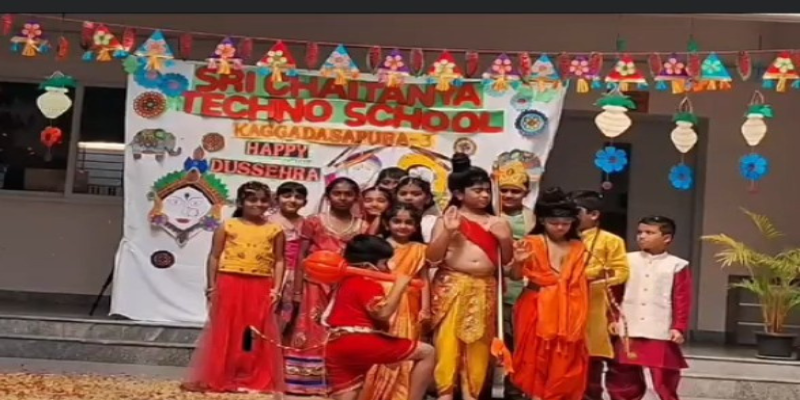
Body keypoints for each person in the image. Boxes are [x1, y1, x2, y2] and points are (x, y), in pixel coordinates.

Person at [183, 181, 285, 394]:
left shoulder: (275, 229)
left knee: (253, 332)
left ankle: (248, 376)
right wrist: (211, 286)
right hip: (229, 282)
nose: (258, 204)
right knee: (227, 329)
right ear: (241, 202)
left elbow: (279, 260)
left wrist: (277, 288)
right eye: (252, 200)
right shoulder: (228, 226)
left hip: (260, 284)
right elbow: (214, 256)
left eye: (263, 200)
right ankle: (223, 375)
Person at [426, 153, 513, 400]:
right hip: (452, 284)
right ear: (459, 194)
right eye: (477, 190)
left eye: (487, 190)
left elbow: (506, 261)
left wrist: (504, 238)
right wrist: (448, 232)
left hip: (485, 286)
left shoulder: (497, 222)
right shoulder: (447, 220)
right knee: (447, 344)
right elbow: (432, 258)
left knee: (479, 348)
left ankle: (471, 394)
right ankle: (445, 394)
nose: (484, 195)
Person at [324, 234, 435, 400]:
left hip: (335, 345)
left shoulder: (342, 281)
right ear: (367, 265)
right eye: (384, 263)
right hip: (359, 341)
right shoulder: (366, 282)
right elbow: (383, 313)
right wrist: (399, 286)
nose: (387, 269)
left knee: (349, 395)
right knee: (428, 352)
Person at [285, 177, 365, 396]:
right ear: (328, 196)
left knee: (337, 330)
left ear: (355, 197)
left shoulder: (362, 226)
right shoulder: (314, 222)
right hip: (314, 285)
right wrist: (297, 290)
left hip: (343, 286)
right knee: (310, 327)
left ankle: (334, 381)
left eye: (348, 194)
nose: (342, 198)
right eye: (337, 193)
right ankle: (303, 380)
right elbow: (301, 256)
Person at [508, 187, 589, 400]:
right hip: (535, 306)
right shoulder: (532, 242)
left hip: (569, 310)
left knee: (565, 359)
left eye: (565, 223)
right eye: (554, 223)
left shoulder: (578, 246)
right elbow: (515, 276)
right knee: (534, 357)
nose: (560, 227)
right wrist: (518, 261)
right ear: (543, 221)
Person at [606, 216, 692, 400]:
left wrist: (678, 327)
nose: (642, 236)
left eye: (649, 233)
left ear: (666, 238)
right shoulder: (626, 260)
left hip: (659, 327)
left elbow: (681, 299)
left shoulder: (677, 265)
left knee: (663, 377)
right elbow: (614, 293)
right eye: (640, 232)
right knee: (623, 376)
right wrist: (612, 319)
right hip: (628, 325)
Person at [361, 204, 431, 400]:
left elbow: (424, 280)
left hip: (409, 306)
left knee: (405, 348)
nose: (403, 226)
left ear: (416, 226)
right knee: (379, 347)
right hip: (382, 303)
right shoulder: (379, 247)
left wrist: (425, 308)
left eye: (409, 222)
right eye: (397, 221)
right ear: (386, 223)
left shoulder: (420, 249)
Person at [568, 190, 629, 400]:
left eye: (576, 211)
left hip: (594, 306)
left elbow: (621, 272)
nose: (570, 216)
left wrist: (587, 277)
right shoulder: (562, 237)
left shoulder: (611, 241)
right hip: (562, 304)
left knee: (591, 361)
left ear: (594, 215)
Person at [496, 162, 535, 400]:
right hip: (492, 284)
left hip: (523, 286)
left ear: (526, 193)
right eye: (504, 190)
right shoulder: (489, 215)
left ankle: (516, 387)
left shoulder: (533, 219)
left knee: (520, 341)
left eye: (515, 191)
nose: (509, 195)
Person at [268, 182, 308, 335]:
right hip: (271, 272)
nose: (292, 200)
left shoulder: (307, 223)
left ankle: (281, 347)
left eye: (298, 197)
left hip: (297, 275)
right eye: (286, 196)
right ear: (276, 198)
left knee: (290, 316)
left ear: (305, 202)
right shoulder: (267, 221)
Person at [395, 173, 439, 243]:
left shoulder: (433, 221)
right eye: (403, 193)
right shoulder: (388, 217)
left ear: (427, 198)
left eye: (416, 194)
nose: (408, 198)